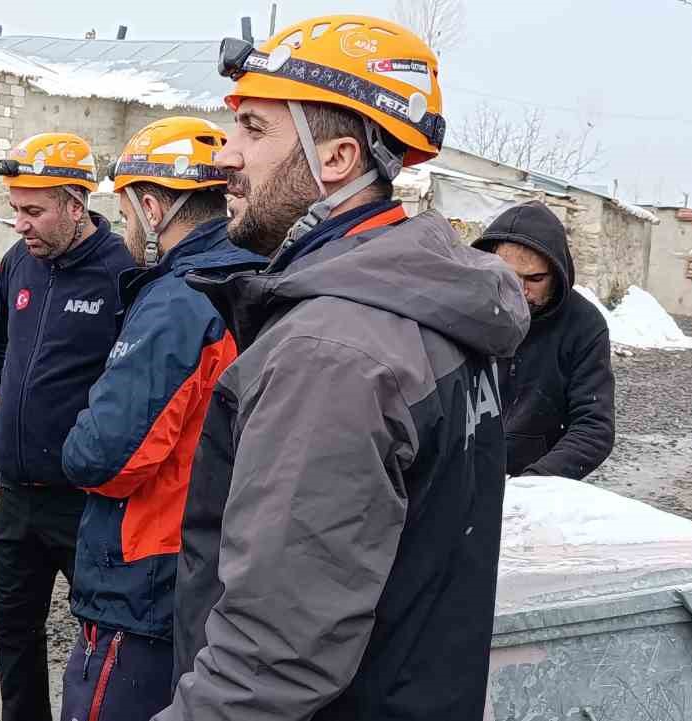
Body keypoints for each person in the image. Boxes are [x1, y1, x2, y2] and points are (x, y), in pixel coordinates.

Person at [158, 15, 531, 721]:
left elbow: (268, 662)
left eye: (256, 131)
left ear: (336, 159)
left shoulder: (334, 351)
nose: (225, 156)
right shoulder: (430, 308)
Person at [57, 117, 262, 721]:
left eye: (124, 211)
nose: (121, 228)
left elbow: (105, 454)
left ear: (153, 207)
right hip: (211, 561)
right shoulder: (252, 275)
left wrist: (75, 434)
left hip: (145, 576)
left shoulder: (179, 299)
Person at [0, 131, 135, 721]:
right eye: (14, 209)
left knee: (101, 633)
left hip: (85, 502)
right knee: (13, 631)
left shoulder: (125, 272)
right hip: (16, 496)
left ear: (75, 204)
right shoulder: (19, 263)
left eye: (33, 210)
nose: (19, 224)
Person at [473, 201, 615, 479]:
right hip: (457, 478)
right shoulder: (463, 310)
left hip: (531, 483)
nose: (518, 291)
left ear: (557, 272)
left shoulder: (583, 324)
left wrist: (535, 484)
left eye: (534, 279)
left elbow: (594, 426)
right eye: (507, 276)